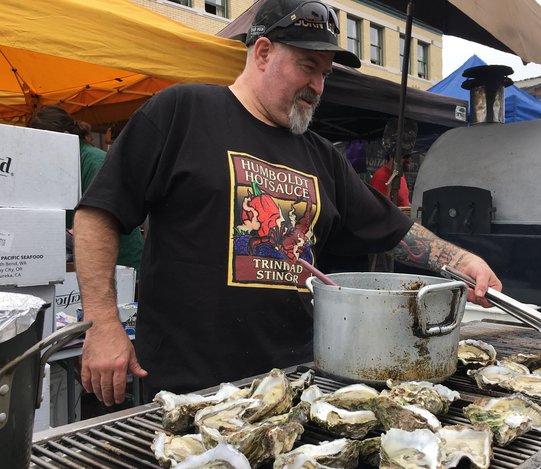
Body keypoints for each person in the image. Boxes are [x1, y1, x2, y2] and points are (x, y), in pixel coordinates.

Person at [72, 0, 502, 406]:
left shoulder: (322, 156)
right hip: (189, 388)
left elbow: (393, 229)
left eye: (325, 74)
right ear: (262, 53)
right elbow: (98, 215)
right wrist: (104, 324)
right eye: (307, 66)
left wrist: (461, 260)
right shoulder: (181, 112)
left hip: (295, 383)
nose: (318, 86)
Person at [27, 106, 144, 272]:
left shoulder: (96, 162)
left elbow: (101, 217)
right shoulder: (56, 164)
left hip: (119, 262)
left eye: (42, 144)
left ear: (65, 137)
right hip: (86, 260)